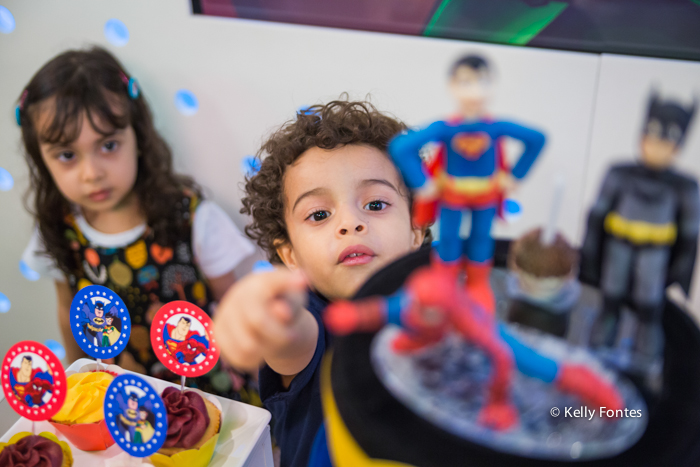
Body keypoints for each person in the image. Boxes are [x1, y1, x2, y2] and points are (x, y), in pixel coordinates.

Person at [17, 46, 256, 402]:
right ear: (42, 159)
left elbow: (237, 312)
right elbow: (69, 313)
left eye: (109, 145)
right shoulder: (56, 230)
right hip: (124, 406)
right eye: (67, 155)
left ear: (138, 136)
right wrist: (81, 389)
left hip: (209, 396)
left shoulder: (192, 218)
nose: (91, 173)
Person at [214, 99, 428, 467]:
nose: (349, 223)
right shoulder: (309, 320)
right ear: (290, 255)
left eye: (375, 205)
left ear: (416, 229)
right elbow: (290, 336)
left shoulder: (447, 299)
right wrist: (269, 313)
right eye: (319, 214)